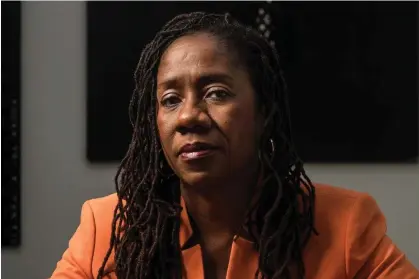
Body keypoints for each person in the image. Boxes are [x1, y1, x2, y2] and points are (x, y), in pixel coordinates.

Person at [50, 12, 418, 279]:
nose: (188, 117)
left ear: (263, 113)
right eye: (170, 99)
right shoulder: (107, 227)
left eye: (216, 93)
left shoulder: (347, 224)